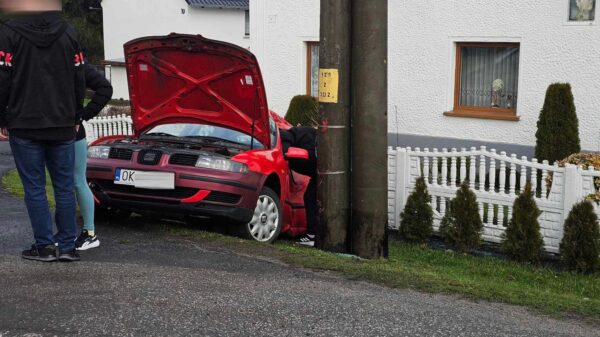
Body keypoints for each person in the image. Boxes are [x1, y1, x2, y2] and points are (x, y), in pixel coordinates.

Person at [0, 0, 86, 262]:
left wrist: (2, 117)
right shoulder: (70, 32)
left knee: (35, 187)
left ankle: (45, 246)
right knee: (64, 186)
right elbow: (79, 76)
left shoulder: (8, 33)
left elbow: (3, 77)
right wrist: (76, 115)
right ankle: (68, 246)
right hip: (62, 122)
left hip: (24, 121)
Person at [74, 63, 113, 250]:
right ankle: (64, 233)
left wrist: (84, 115)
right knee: (62, 183)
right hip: (56, 130)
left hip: (73, 132)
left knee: (77, 181)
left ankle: (89, 232)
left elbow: (105, 88)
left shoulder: (79, 65)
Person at [280, 126, 318, 246]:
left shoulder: (287, 140)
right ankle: (313, 235)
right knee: (310, 197)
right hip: (320, 172)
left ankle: (313, 235)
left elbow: (288, 153)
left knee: (311, 198)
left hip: (326, 172)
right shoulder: (298, 135)